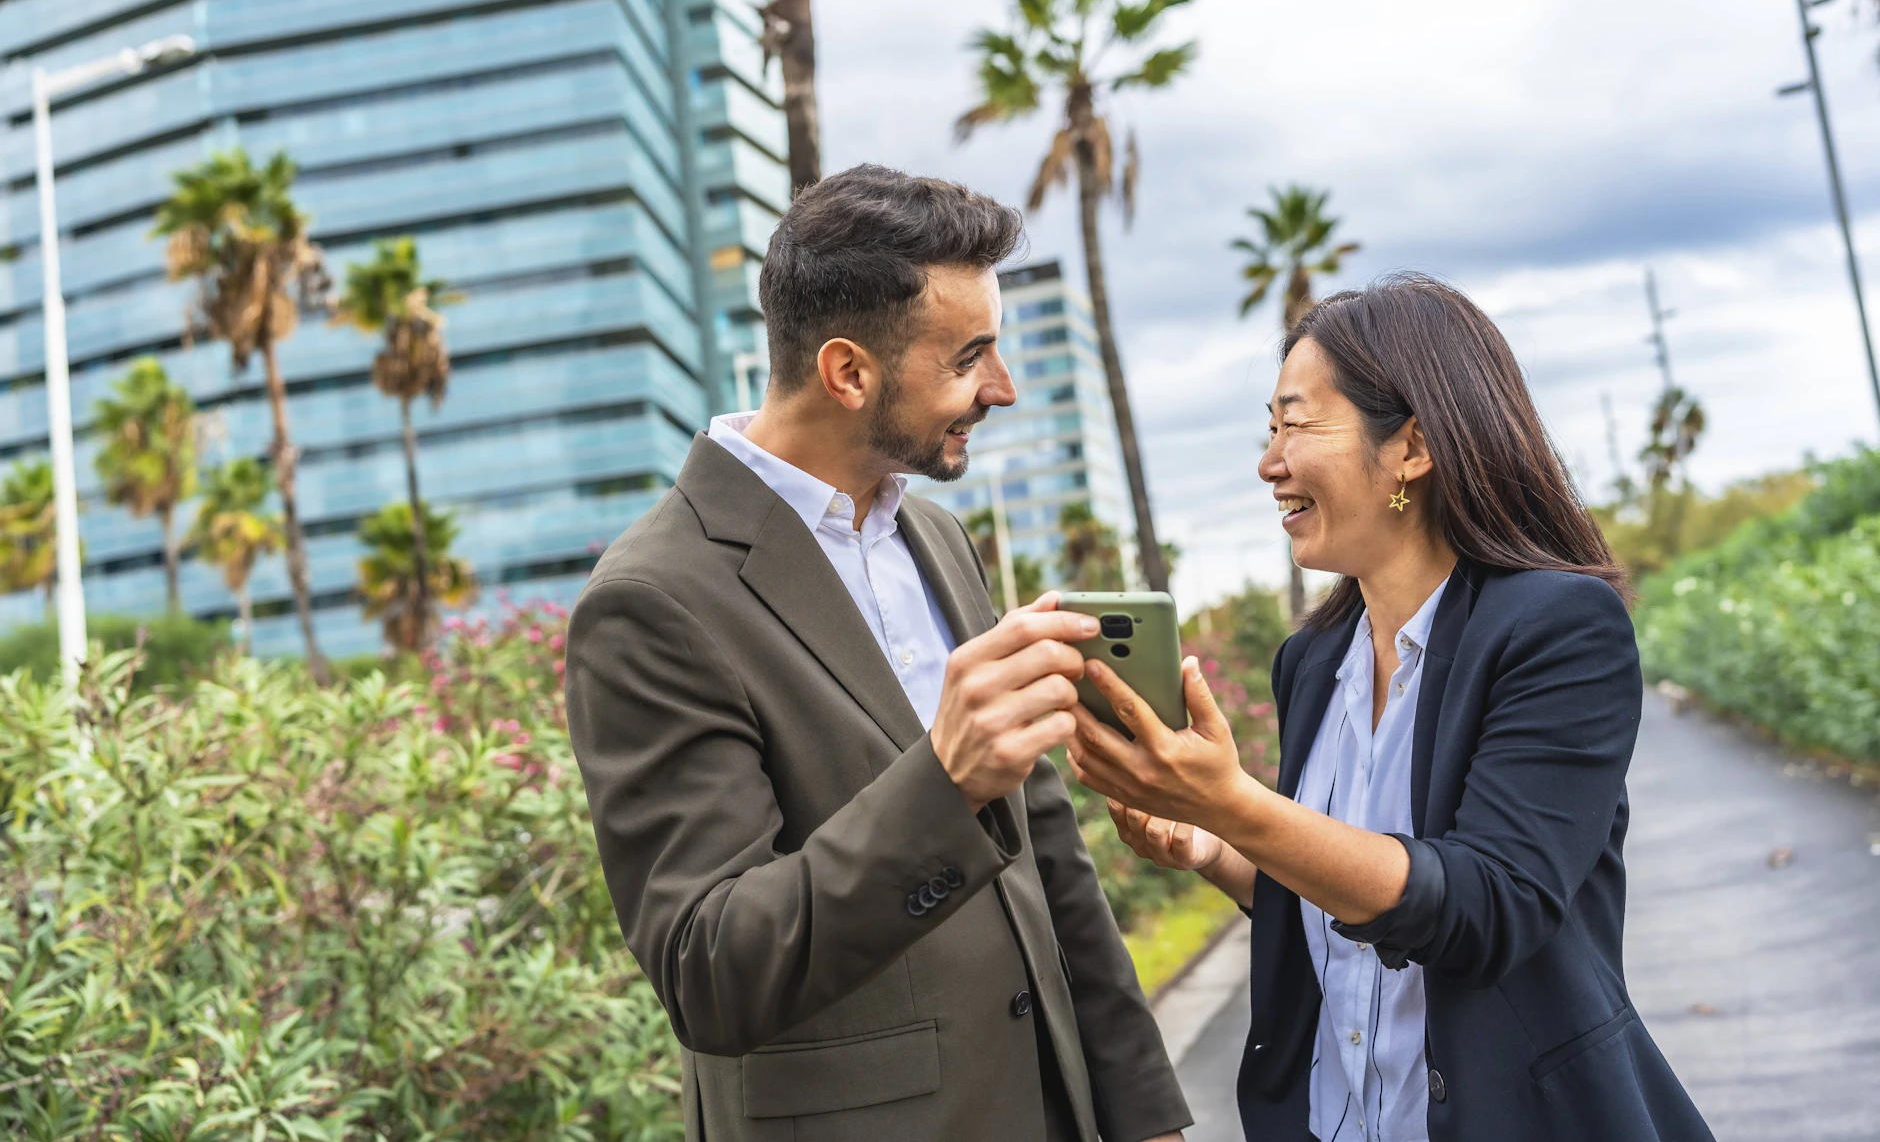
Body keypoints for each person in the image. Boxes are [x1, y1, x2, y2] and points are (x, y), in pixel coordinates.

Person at [564, 165, 1191, 1142]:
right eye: (969, 356)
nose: (1003, 387)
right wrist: (943, 782)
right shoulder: (651, 598)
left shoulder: (937, 538)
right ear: (848, 372)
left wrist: (1145, 1114)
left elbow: (1048, 853)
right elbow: (710, 968)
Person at [1065, 274, 1714, 1142]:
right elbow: (1340, 907)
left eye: (1297, 424)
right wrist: (1217, 846)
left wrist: (1235, 803)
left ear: (1410, 444)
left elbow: (1488, 903)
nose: (1269, 461)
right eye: (1269, 429)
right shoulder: (1313, 661)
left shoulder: (1558, 628)